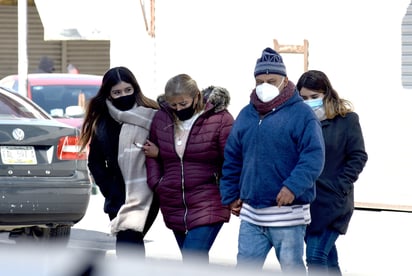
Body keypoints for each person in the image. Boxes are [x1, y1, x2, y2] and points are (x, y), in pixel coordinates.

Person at [219, 48, 325, 275]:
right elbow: (232, 158)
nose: (265, 85)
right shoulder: (246, 115)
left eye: (271, 80)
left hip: (288, 216)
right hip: (251, 216)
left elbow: (313, 157)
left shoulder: (302, 115)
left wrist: (292, 187)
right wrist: (230, 194)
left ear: (285, 80)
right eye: (260, 81)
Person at [145, 74, 234, 263]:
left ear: (196, 97)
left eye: (183, 104)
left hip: (208, 199)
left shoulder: (220, 118)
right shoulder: (162, 117)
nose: (178, 109)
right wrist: (157, 183)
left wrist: (229, 192)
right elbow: (151, 153)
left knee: (193, 259)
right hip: (173, 200)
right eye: (173, 105)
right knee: (192, 264)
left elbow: (232, 158)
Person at [79, 66, 159, 258]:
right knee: (129, 245)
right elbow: (95, 162)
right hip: (118, 196)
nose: (123, 95)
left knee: (129, 242)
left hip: (147, 193)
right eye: (117, 92)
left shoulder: (152, 114)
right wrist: (109, 189)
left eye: (127, 90)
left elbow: (171, 149)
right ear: (108, 94)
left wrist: (157, 153)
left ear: (135, 89)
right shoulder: (103, 122)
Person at [296, 70, 368, 275]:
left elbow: (358, 156)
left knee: (315, 256)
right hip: (308, 201)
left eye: (314, 97)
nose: (309, 102)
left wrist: (341, 185)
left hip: (333, 201)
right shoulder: (301, 123)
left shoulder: (347, 120)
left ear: (326, 94)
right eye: (303, 98)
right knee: (328, 258)